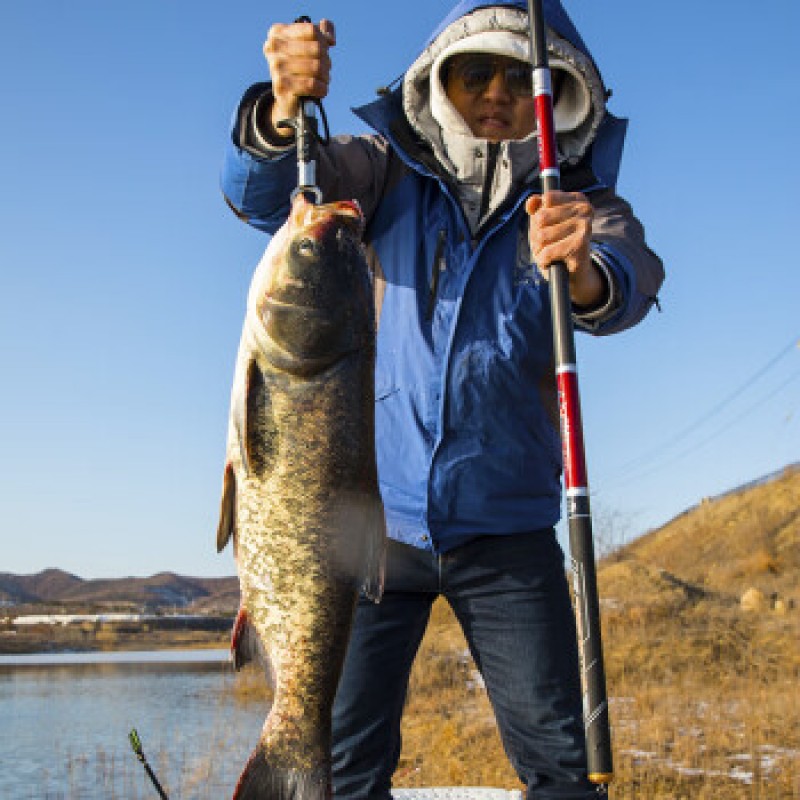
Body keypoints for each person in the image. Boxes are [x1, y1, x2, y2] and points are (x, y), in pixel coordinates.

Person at [221, 1, 664, 797]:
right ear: (437, 81)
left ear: (559, 93)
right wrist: (283, 108)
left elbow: (627, 280)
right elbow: (266, 194)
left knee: (564, 767)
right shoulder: (383, 169)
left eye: (520, 76)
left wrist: (585, 269)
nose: (495, 92)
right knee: (344, 763)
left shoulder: (580, 200)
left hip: (507, 530)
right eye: (473, 72)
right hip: (368, 525)